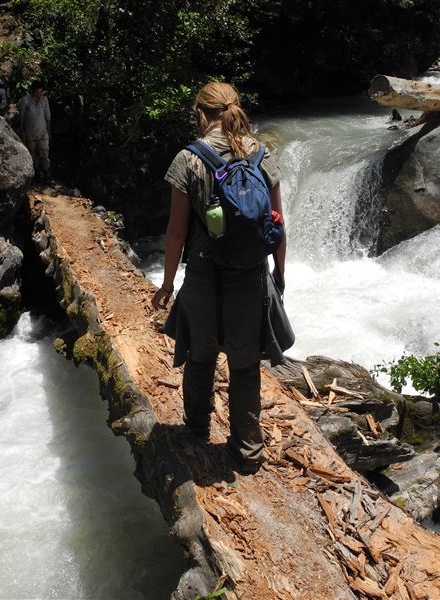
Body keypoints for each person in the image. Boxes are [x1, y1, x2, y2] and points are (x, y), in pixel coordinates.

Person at [151, 82, 290, 475]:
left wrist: (166, 284)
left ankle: (197, 430)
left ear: (200, 113)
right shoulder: (263, 156)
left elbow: (176, 232)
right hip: (250, 278)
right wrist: (279, 275)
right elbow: (278, 224)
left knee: (200, 353)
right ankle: (247, 452)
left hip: (204, 275)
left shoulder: (189, 160)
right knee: (245, 366)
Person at [18, 81, 51, 182]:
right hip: (30, 133)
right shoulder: (25, 100)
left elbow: (48, 116)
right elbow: (21, 117)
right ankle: (37, 174)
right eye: (37, 91)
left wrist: (49, 131)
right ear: (33, 90)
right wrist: (22, 131)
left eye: (41, 91)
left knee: (44, 155)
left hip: (43, 132)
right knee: (33, 156)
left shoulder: (44, 100)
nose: (39, 94)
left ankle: (46, 174)